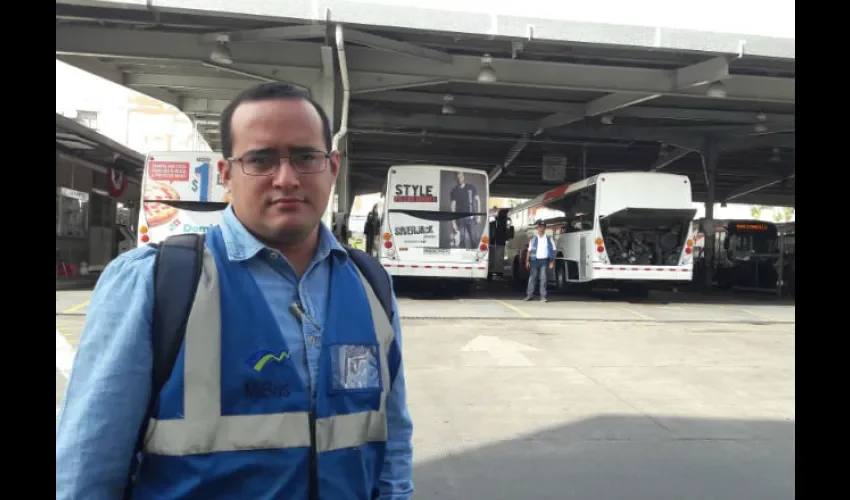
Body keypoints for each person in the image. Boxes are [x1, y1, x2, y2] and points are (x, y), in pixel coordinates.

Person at [56, 82, 414, 499]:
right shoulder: (155, 282)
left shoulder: (371, 284)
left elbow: (392, 439)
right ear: (226, 175)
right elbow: (87, 467)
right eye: (260, 159)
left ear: (332, 166)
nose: (286, 178)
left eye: (306, 157)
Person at [524, 219, 556, 302]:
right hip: (534, 261)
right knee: (532, 278)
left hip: (544, 261)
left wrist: (552, 262)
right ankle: (529, 295)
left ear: (545, 228)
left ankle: (543, 296)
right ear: (537, 228)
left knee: (543, 278)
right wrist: (527, 261)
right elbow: (529, 251)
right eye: (540, 227)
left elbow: (553, 250)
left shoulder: (549, 239)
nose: (541, 229)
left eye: (543, 227)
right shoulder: (533, 239)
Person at [449, 171, 481, 249]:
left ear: (463, 177)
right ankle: (462, 257)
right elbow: (452, 206)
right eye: (457, 177)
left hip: (471, 218)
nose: (459, 179)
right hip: (460, 219)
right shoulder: (454, 191)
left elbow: (478, 201)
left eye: (460, 176)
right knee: (462, 240)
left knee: (474, 239)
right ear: (455, 179)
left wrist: (479, 216)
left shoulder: (471, 187)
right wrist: (453, 222)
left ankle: (474, 258)